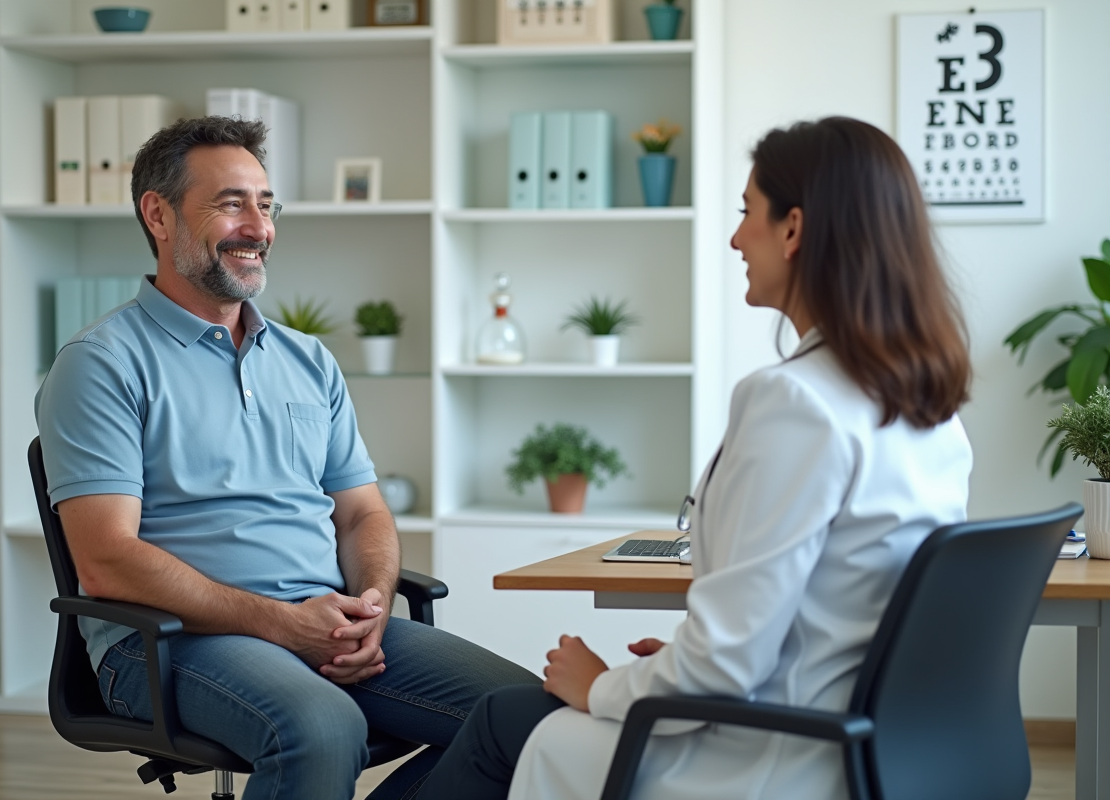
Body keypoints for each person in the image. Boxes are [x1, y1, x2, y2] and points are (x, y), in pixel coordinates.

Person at [414, 116, 975, 800]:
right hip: (870, 745)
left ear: (794, 229)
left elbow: (726, 667)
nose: (737, 238)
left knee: (505, 718)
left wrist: (603, 686)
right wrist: (679, 667)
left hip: (773, 757)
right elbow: (822, 622)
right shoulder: (930, 413)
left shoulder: (794, 403)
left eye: (748, 213)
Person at [34, 116, 538, 800]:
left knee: (533, 720)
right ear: (158, 214)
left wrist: (370, 607)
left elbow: (362, 512)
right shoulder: (101, 365)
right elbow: (106, 559)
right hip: (167, 644)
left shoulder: (308, 360)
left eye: (266, 204)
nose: (259, 227)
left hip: (323, 617)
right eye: (231, 203)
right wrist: (280, 624)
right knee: (322, 727)